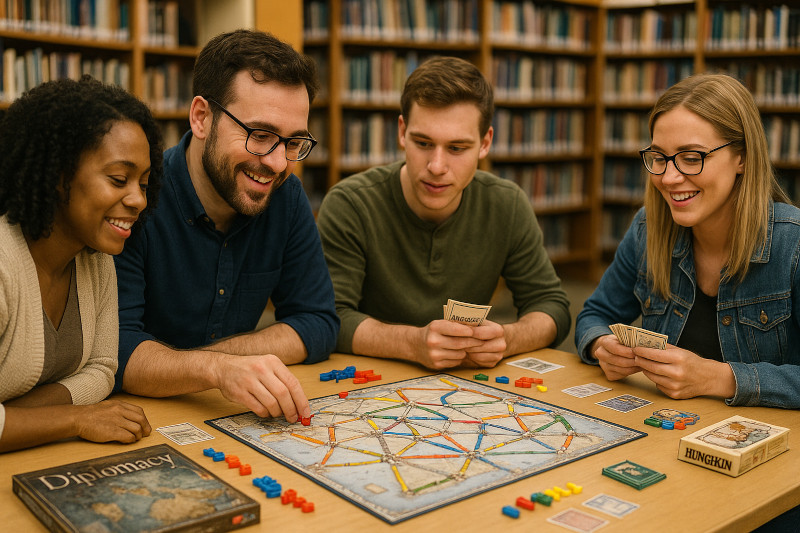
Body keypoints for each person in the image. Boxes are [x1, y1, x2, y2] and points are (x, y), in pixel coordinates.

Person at [113, 30, 338, 423]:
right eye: (260, 135)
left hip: (228, 417)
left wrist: (221, 366)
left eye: (292, 143)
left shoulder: (286, 196)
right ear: (202, 118)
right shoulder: (136, 201)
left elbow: (317, 322)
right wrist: (217, 369)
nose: (278, 164)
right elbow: (118, 351)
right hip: (143, 420)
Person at [316, 56, 571, 370]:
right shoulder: (350, 204)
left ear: (485, 143)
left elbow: (552, 306)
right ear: (401, 132)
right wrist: (412, 343)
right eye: (423, 143)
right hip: (368, 379)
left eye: (456, 148)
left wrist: (507, 338)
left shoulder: (506, 204)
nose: (436, 167)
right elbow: (329, 317)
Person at [575, 73, 800, 408]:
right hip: (668, 434)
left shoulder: (792, 244)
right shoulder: (648, 229)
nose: (669, 177)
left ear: (742, 157)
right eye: (659, 157)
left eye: (692, 158)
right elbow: (594, 314)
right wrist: (601, 344)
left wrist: (718, 377)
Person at [0, 76, 160, 452]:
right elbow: (86, 399)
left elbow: (102, 371)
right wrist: (76, 418)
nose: (137, 199)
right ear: (59, 175)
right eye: (119, 179)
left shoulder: (96, 258)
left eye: (144, 182)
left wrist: (13, 418)